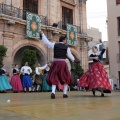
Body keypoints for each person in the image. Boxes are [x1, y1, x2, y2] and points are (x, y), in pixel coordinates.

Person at [40, 31, 75, 99]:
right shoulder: (66, 47)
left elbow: (47, 42)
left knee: (54, 77)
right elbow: (70, 56)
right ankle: (65, 94)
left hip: (55, 63)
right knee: (66, 78)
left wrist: (43, 35)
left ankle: (53, 92)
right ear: (64, 40)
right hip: (62, 63)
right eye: (65, 40)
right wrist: (73, 59)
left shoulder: (55, 45)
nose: (66, 41)